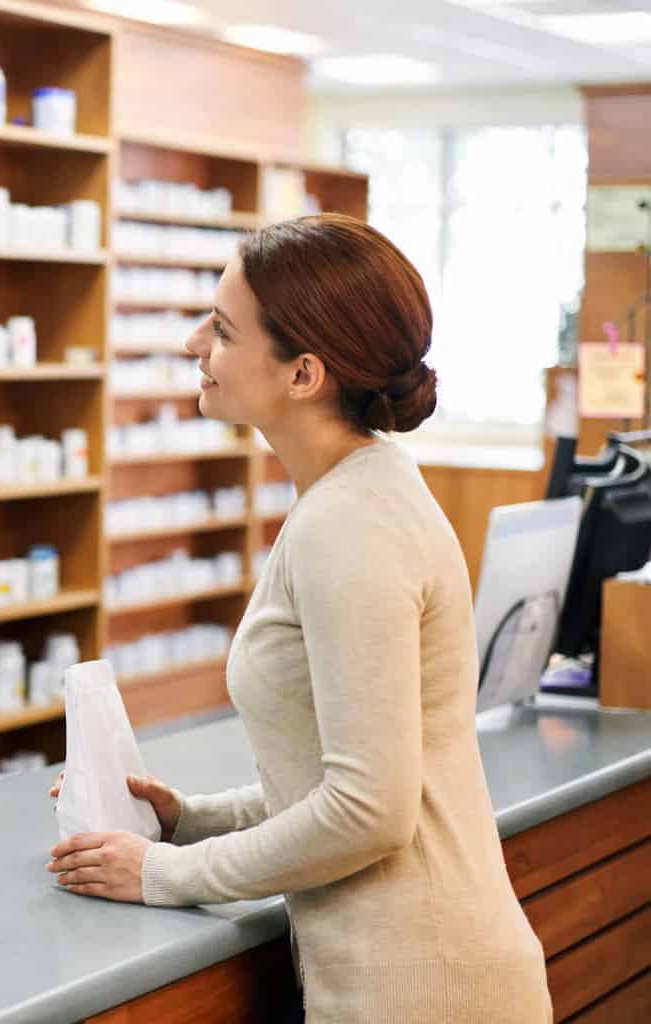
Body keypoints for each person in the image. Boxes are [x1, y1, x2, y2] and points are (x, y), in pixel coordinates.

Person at [46, 214, 551, 1022]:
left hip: (422, 986)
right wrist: (188, 819)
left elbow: (367, 812)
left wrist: (159, 873)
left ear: (304, 374)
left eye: (221, 329)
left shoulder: (349, 527)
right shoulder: (359, 491)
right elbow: (354, 776)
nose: (192, 346)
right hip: (422, 966)